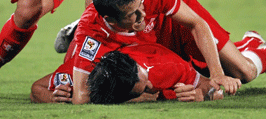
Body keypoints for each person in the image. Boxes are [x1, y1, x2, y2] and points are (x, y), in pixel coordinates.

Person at [70, 0, 266, 104]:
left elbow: (197, 24)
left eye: (139, 5)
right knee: (189, 70)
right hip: (143, 39)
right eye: (133, 14)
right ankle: (239, 50)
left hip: (176, 18)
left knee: (243, 72)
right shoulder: (90, 35)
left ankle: (264, 52)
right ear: (110, 19)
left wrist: (217, 74)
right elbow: (81, 97)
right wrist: (144, 97)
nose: (143, 13)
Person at [30, 41, 224, 104]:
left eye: (144, 81)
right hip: (84, 48)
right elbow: (36, 88)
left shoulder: (164, 66)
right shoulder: (79, 72)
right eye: (140, 91)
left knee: (239, 70)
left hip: (154, 37)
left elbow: (214, 87)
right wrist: (54, 97)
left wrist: (205, 94)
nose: (150, 85)